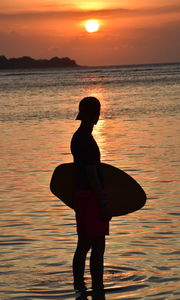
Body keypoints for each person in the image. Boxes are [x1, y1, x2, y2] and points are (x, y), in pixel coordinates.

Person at [70, 97, 111, 296]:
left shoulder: (80, 136)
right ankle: (97, 288)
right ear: (96, 116)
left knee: (85, 245)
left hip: (83, 196)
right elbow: (92, 176)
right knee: (96, 246)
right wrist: (103, 203)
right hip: (90, 197)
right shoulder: (85, 139)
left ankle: (80, 288)